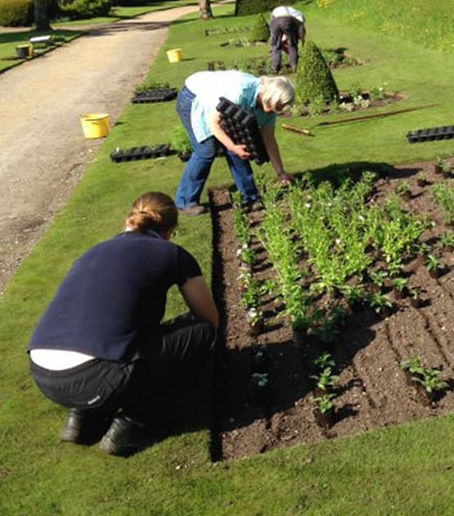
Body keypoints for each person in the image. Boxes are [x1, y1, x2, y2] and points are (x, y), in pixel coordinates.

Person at [27, 192, 218, 457]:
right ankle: (132, 425)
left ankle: (82, 419)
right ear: (169, 230)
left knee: (116, 337)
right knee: (200, 334)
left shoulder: (93, 251)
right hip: (94, 378)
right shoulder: (171, 253)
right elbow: (209, 318)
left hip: (42, 373)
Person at [174, 71, 295, 215]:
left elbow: (269, 140)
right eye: (279, 105)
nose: (280, 109)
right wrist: (232, 146)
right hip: (193, 96)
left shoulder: (269, 109)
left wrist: (281, 172)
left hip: (218, 103)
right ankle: (185, 202)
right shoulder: (240, 93)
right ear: (270, 97)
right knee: (206, 151)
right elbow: (212, 122)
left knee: (239, 148)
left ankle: (250, 198)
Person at [269, 5, 306, 73]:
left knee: (275, 45)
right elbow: (301, 30)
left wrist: (275, 39)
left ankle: (274, 68)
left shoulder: (277, 10)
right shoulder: (300, 17)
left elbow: (272, 25)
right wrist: (302, 41)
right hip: (287, 21)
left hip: (274, 21)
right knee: (292, 44)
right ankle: (294, 66)